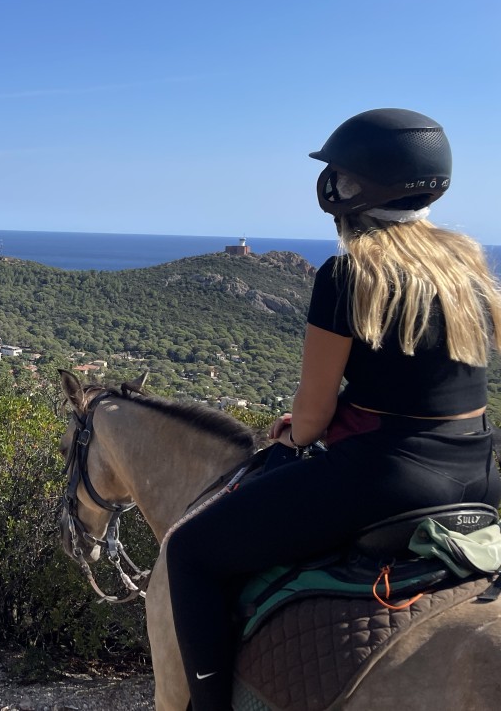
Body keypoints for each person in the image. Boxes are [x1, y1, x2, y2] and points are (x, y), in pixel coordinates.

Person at [165, 107, 501, 711]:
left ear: (355, 188)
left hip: (387, 478)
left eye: (341, 178)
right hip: (480, 471)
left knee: (190, 552)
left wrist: (299, 434)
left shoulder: (350, 274)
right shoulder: (468, 269)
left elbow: (313, 413)